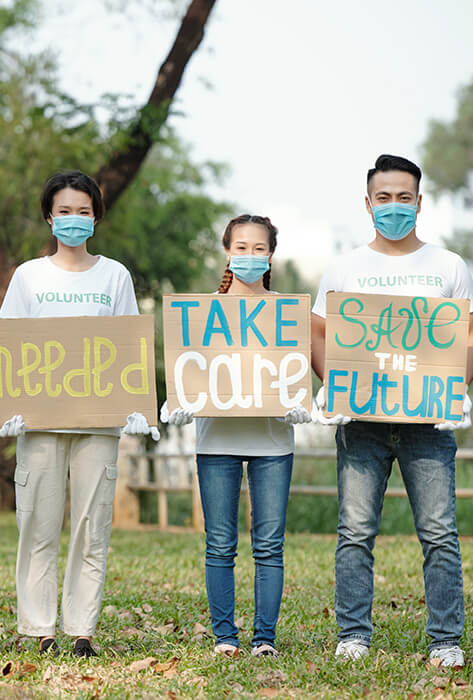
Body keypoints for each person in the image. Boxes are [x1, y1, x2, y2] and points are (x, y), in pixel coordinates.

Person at [310, 154, 473, 667]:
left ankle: (446, 639)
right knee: (355, 531)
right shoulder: (345, 267)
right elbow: (320, 333)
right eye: (384, 198)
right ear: (368, 204)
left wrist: (457, 388)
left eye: (404, 197)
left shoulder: (448, 265)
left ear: (420, 203)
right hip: (361, 424)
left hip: (429, 423)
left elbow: (470, 334)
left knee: (439, 533)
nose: (394, 207)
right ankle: (353, 634)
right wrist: (330, 387)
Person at [0, 169, 158, 658]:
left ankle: (82, 629)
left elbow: (129, 346)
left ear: (96, 218)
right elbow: (9, 348)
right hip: (39, 424)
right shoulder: (28, 276)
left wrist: (134, 409)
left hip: (98, 425)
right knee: (37, 527)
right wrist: (10, 410)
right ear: (49, 217)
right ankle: (40, 629)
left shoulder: (115, 276)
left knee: (92, 526)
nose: (73, 220)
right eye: (64, 211)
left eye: (83, 211)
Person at [160, 215, 311, 657]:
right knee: (219, 544)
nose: (249, 256)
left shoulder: (288, 313)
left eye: (258, 248)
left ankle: (265, 638)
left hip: (273, 443)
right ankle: (225, 636)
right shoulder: (200, 313)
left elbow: (296, 374)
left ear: (270, 255)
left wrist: (303, 402)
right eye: (240, 248)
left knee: (269, 545)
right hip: (215, 442)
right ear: (227, 252)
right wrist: (179, 400)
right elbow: (185, 371)